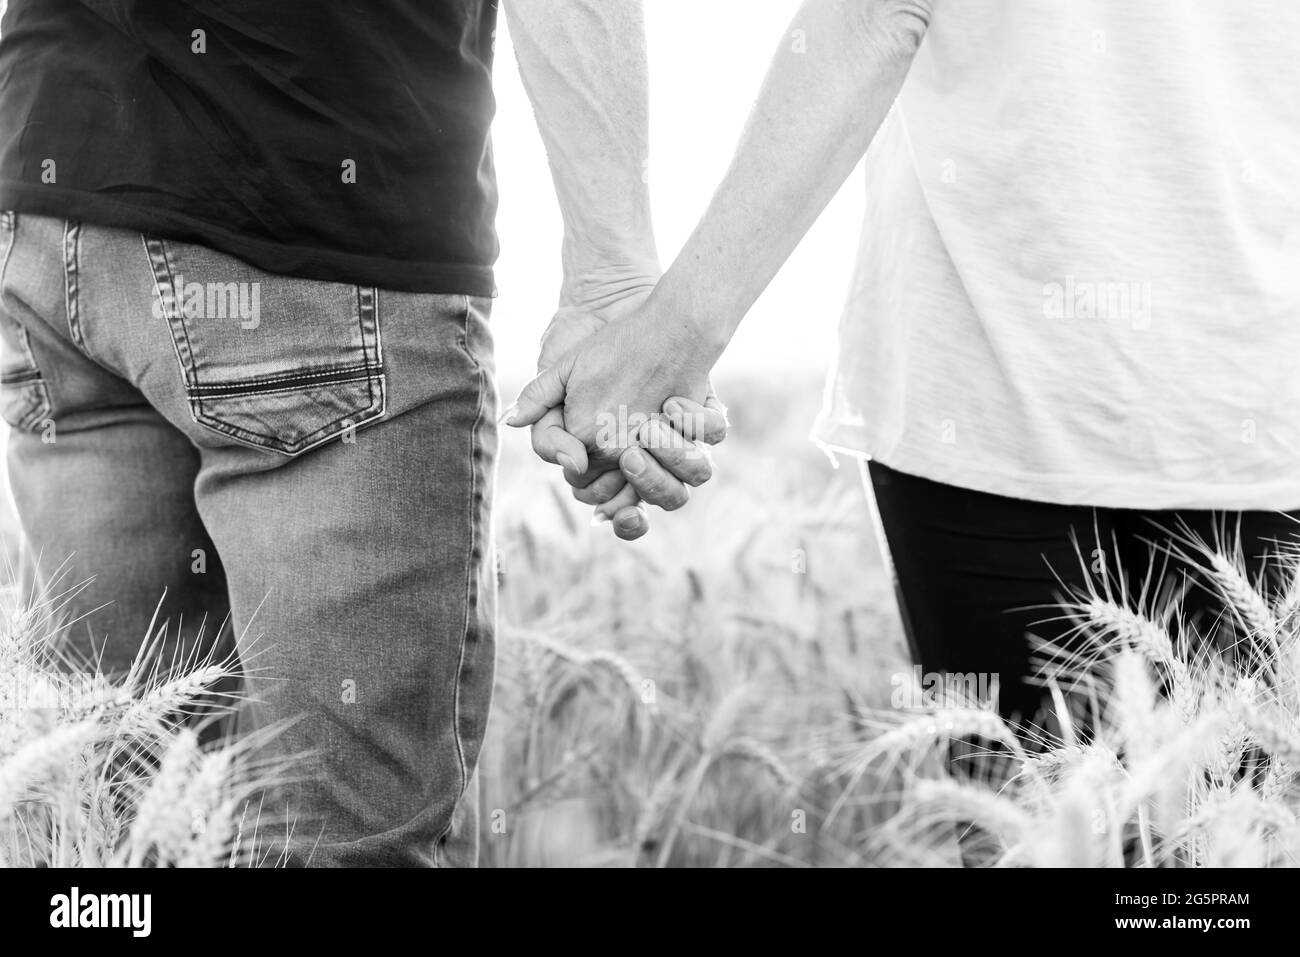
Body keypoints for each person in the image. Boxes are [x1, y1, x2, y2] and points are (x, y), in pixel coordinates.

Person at [0, 0, 721, 866]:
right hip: (308, 221)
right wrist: (611, 281)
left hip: (43, 204)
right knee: (332, 839)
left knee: (112, 815)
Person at [513, 0, 1300, 725]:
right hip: (1213, 368)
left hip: (985, 365)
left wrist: (659, 337)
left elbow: (873, 14)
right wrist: (647, 322)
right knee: (1231, 840)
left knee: (1034, 817)